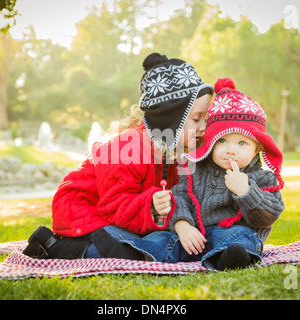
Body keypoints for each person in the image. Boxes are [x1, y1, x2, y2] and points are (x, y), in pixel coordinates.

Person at [22, 53, 214, 259]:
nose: (203, 127)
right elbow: (113, 205)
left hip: (119, 216)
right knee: (126, 246)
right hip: (84, 213)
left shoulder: (169, 151)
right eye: (196, 119)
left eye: (205, 118)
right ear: (172, 117)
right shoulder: (127, 148)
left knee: (156, 240)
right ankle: (57, 247)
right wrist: (151, 205)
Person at [96, 77, 285, 271]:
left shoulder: (263, 178)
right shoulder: (195, 168)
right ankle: (136, 252)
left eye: (242, 143)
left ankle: (228, 258)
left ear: (257, 149)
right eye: (222, 141)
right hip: (192, 237)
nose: (231, 150)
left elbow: (268, 216)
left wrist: (246, 191)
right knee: (163, 239)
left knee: (242, 238)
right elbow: (180, 196)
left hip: (230, 234)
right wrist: (183, 224)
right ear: (210, 141)